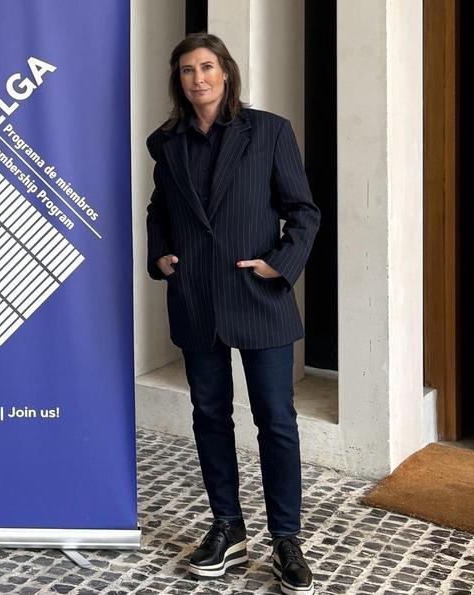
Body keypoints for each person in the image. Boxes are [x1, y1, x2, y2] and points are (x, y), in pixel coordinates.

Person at [145, 33, 320, 595]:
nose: (198, 78)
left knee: (276, 419)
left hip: (259, 299)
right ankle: (227, 526)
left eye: (207, 67)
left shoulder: (269, 131)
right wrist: (161, 255)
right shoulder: (167, 143)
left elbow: (304, 211)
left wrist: (280, 264)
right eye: (188, 70)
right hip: (196, 299)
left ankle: (286, 540)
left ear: (226, 73)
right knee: (209, 416)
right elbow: (158, 210)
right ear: (179, 81)